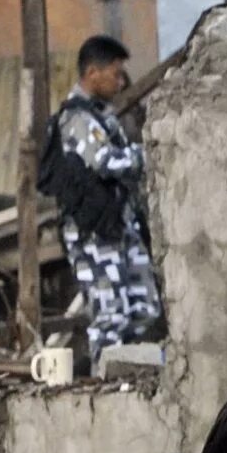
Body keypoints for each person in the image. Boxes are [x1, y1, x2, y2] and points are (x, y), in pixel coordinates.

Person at [37, 33, 163, 371]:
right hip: (93, 234)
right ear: (93, 72)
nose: (120, 80)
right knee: (110, 316)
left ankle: (127, 372)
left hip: (119, 226)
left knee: (144, 306)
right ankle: (106, 384)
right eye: (115, 72)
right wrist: (152, 153)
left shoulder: (100, 115)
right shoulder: (77, 118)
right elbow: (106, 162)